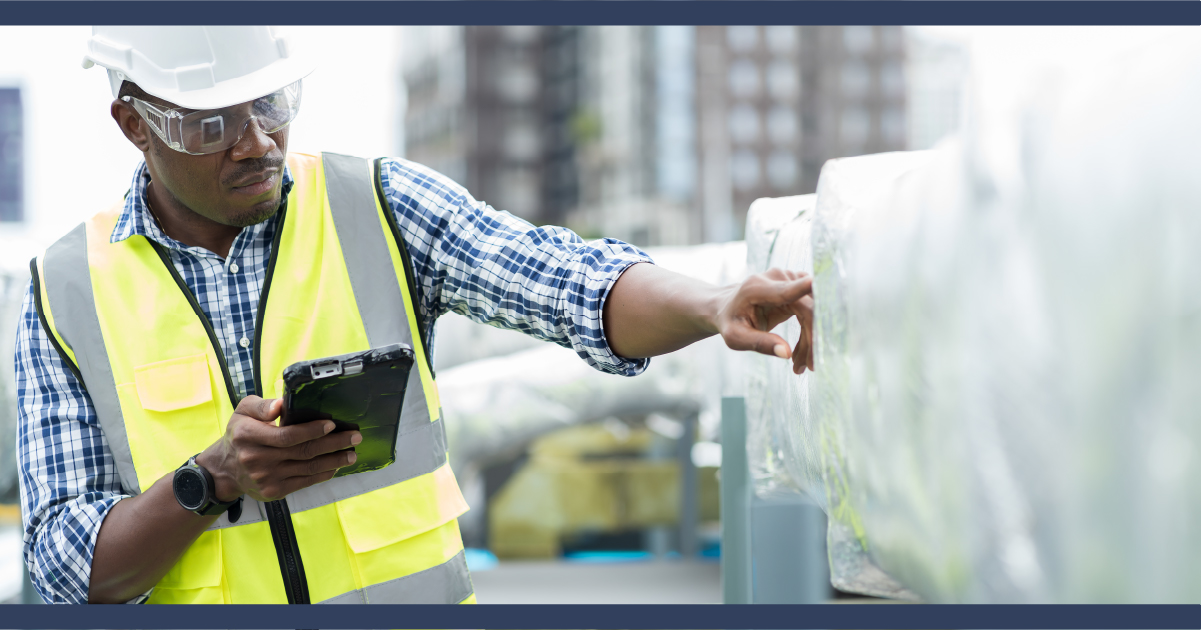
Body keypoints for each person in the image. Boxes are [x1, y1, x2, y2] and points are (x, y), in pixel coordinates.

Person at [15, 26, 814, 605]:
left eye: (268, 103)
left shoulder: (379, 206)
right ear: (132, 123)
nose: (254, 142)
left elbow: (564, 280)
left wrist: (709, 304)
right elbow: (61, 569)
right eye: (209, 124)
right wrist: (212, 479)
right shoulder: (64, 292)